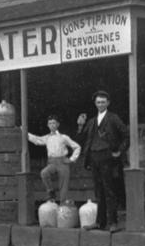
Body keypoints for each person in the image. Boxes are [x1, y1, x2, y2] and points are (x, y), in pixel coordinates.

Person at [76, 91, 129, 231]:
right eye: (98, 102)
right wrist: (80, 125)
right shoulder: (92, 121)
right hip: (94, 158)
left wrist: (120, 151)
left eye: (103, 102)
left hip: (108, 158)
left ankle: (113, 223)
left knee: (109, 190)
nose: (100, 104)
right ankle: (100, 222)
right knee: (99, 191)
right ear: (95, 104)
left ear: (108, 103)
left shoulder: (113, 118)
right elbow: (82, 139)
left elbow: (126, 135)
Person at [28, 114, 82, 203]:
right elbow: (37, 140)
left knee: (63, 185)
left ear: (58, 125)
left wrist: (72, 159)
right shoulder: (47, 137)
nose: (52, 125)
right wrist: (25, 132)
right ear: (48, 125)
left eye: (54, 123)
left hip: (63, 162)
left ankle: (62, 206)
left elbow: (77, 147)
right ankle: (51, 192)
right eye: (50, 123)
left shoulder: (63, 137)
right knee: (44, 173)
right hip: (52, 162)